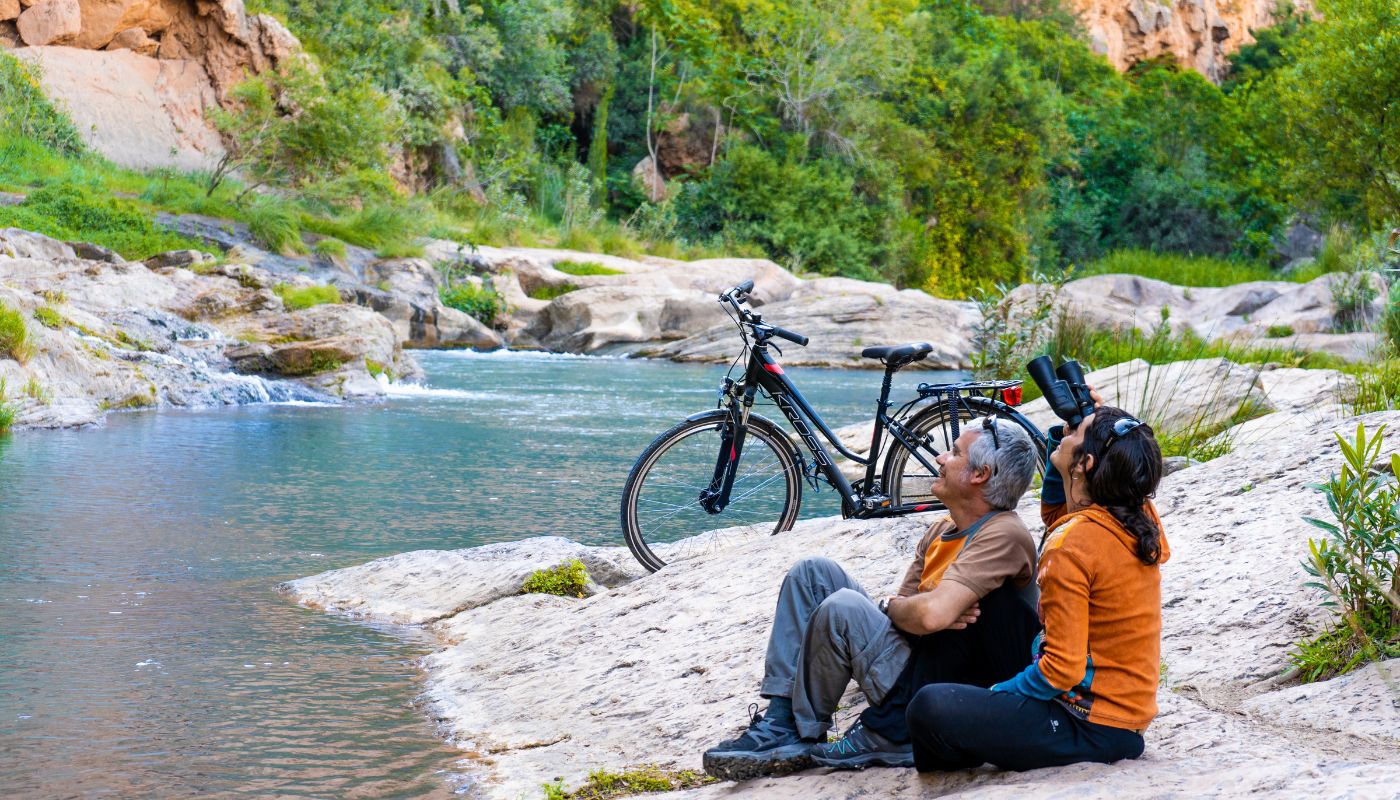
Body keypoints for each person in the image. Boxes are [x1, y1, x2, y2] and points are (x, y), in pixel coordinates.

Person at [702, 417, 1042, 780]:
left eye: (955, 453)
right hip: (920, 659)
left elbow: (928, 616)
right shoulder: (942, 529)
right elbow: (913, 613)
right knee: (811, 573)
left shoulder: (1003, 534)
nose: (941, 458)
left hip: (948, 691)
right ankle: (782, 719)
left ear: (980, 474)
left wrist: (905, 609)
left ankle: (804, 733)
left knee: (843, 607)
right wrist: (906, 609)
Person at [904, 404, 1170, 772]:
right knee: (996, 603)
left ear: (1086, 465)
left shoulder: (1072, 544)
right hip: (1116, 715)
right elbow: (1058, 508)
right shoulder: (1134, 516)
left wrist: (997, 696)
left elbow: (1061, 671)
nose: (1065, 433)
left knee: (929, 707)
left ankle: (954, 749)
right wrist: (1081, 433)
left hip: (1087, 722)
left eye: (1075, 433)